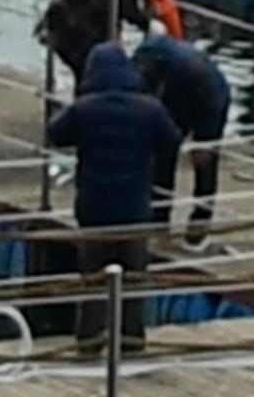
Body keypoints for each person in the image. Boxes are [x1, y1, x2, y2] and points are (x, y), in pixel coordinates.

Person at [53, 42, 184, 342]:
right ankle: (132, 337)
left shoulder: (84, 109)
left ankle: (89, 337)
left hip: (93, 208)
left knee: (93, 278)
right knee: (134, 279)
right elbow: (172, 140)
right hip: (134, 208)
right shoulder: (150, 109)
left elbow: (55, 133)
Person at [134, 27, 232, 235]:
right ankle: (159, 218)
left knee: (204, 163)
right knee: (162, 153)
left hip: (208, 99)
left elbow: (213, 102)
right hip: (173, 100)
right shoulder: (144, 56)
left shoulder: (202, 80)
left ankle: (199, 223)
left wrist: (204, 140)